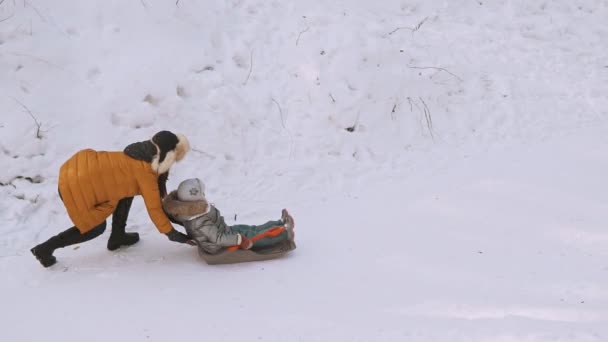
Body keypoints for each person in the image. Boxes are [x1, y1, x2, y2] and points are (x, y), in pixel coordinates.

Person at [31, 130, 192, 268]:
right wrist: (173, 234)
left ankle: (117, 236)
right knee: (95, 227)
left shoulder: (138, 154)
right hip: (75, 186)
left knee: (126, 190)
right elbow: (155, 209)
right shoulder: (145, 173)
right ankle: (45, 249)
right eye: (172, 160)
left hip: (76, 169)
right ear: (165, 157)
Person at [163, 178, 295, 255]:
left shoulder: (191, 213)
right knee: (255, 237)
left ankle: (280, 223)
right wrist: (239, 240)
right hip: (220, 244)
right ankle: (285, 234)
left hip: (224, 231)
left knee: (250, 229)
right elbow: (218, 238)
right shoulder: (198, 221)